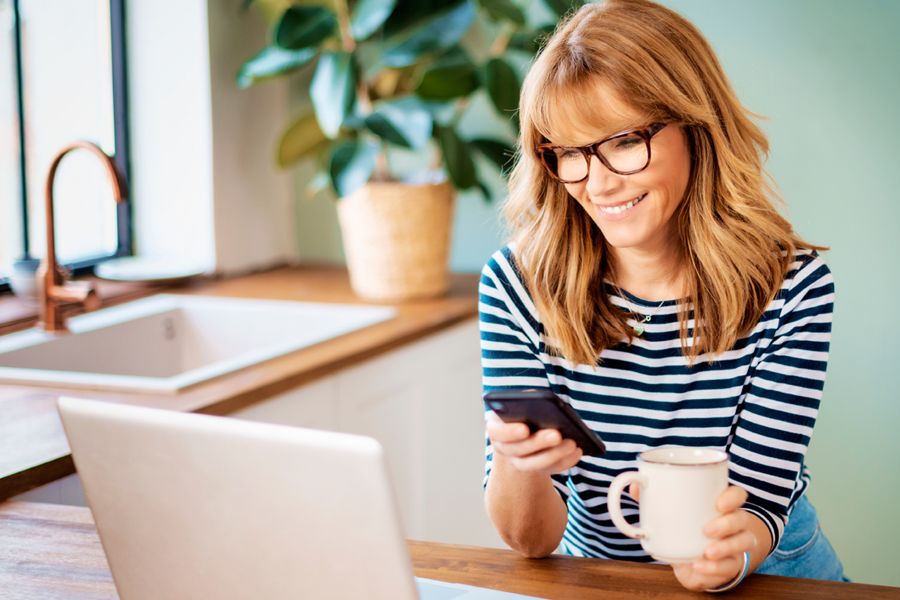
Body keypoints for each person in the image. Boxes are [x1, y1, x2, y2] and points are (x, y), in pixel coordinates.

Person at [479, 0, 848, 592]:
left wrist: (727, 557)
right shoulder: (517, 284)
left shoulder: (791, 287)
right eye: (570, 152)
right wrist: (518, 462)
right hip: (600, 578)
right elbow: (530, 541)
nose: (598, 183)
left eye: (624, 141)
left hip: (768, 572)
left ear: (695, 128)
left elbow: (759, 505)